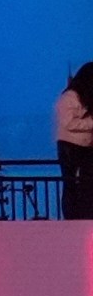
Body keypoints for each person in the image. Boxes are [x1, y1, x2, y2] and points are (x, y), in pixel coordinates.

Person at [56, 62, 93, 219]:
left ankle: (84, 214)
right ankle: (73, 216)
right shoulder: (69, 98)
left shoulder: (83, 98)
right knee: (72, 184)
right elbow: (68, 123)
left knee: (85, 184)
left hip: (85, 146)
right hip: (70, 146)